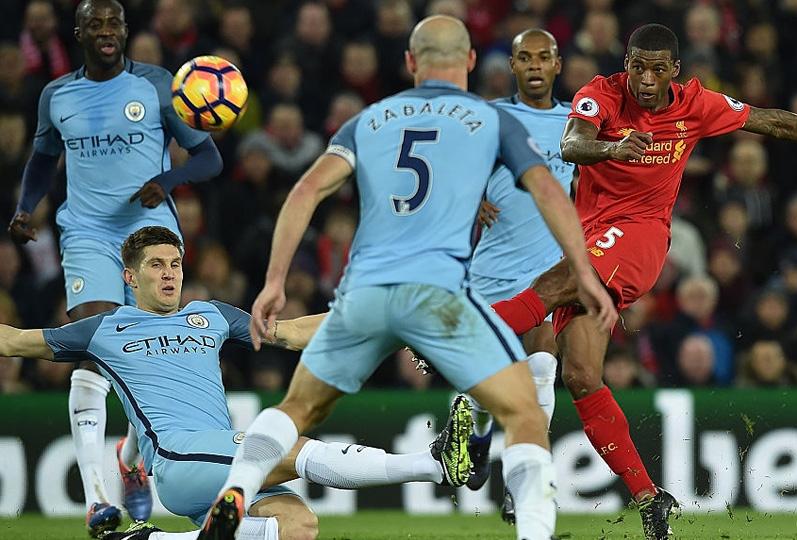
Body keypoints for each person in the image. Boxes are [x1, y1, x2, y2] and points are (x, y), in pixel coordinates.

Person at [199, 15, 615, 540]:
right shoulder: (489, 122)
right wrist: (584, 270)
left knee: (295, 408)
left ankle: (238, 484)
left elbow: (306, 191)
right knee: (528, 414)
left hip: (369, 288)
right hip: (441, 295)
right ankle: (533, 531)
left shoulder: (370, 120)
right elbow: (551, 193)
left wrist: (274, 281)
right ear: (470, 62)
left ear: (410, 62)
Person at [486, 23, 797, 539]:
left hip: (638, 238)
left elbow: (768, 121)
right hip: (588, 235)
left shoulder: (696, 104)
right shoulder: (601, 96)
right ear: (626, 63)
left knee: (544, 293)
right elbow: (572, 144)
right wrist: (612, 149)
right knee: (582, 376)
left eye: (658, 69)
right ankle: (650, 498)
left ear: (674, 70)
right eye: (638, 66)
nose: (646, 79)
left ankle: (454, 339)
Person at [0, 226, 476, 540]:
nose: (169, 274)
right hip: (179, 458)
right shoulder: (105, 328)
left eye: (175, 264)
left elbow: (288, 334)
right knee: (289, 443)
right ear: (130, 276)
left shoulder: (209, 315)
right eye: (155, 265)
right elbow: (18, 342)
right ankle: (435, 465)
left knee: (299, 527)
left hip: (223, 462)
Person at [6, 0, 224, 535]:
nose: (106, 32)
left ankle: (130, 455)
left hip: (150, 232)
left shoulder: (156, 85)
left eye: (114, 24)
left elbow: (210, 158)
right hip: (87, 232)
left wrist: (166, 183)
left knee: (147, 352)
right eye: (96, 24)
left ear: (125, 32)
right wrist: (24, 206)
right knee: (96, 347)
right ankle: (97, 500)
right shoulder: (57, 95)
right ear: (78, 33)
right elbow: (41, 159)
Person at [459, 28, 573, 503]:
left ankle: (524, 481)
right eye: (524, 57)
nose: (534, 65)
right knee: (491, 381)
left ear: (557, 64)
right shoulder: (490, 118)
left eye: (542, 58)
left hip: (548, 274)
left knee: (543, 365)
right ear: (512, 65)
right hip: (492, 271)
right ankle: (481, 437)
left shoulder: (577, 124)